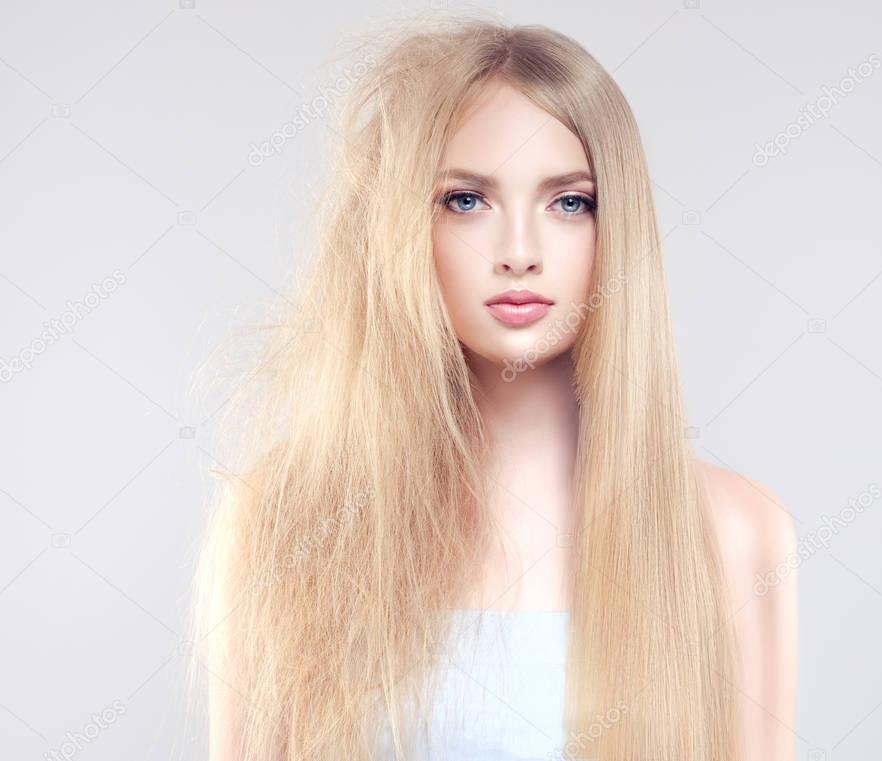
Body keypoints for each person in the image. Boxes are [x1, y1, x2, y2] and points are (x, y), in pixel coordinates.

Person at [189, 12, 798, 761]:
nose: (519, 252)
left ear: (617, 226)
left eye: (568, 202)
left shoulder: (733, 533)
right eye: (466, 200)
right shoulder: (286, 523)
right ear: (403, 225)